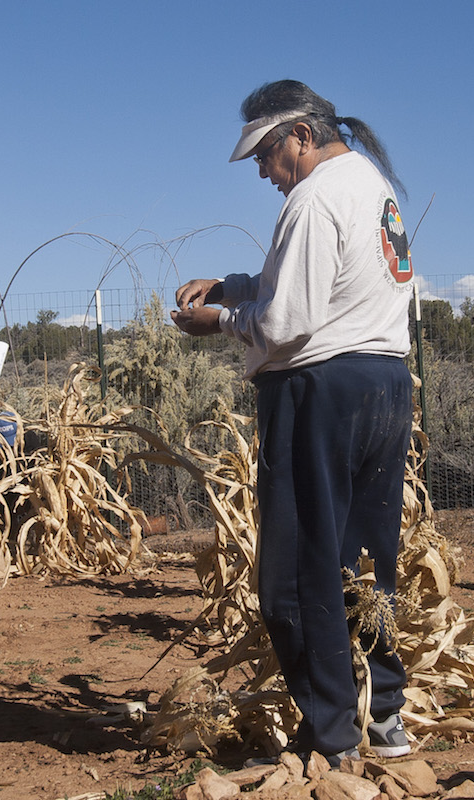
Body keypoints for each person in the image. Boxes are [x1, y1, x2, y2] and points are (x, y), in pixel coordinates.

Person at [171, 80, 415, 764]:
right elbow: (324, 287)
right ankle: (385, 715)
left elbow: (286, 323)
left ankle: (331, 735)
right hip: (385, 384)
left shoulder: (313, 198)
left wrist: (216, 319)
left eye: (266, 153)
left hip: (319, 391)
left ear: (302, 136)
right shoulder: (372, 185)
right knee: (365, 563)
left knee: (297, 574)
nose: (261, 171)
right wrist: (234, 286)